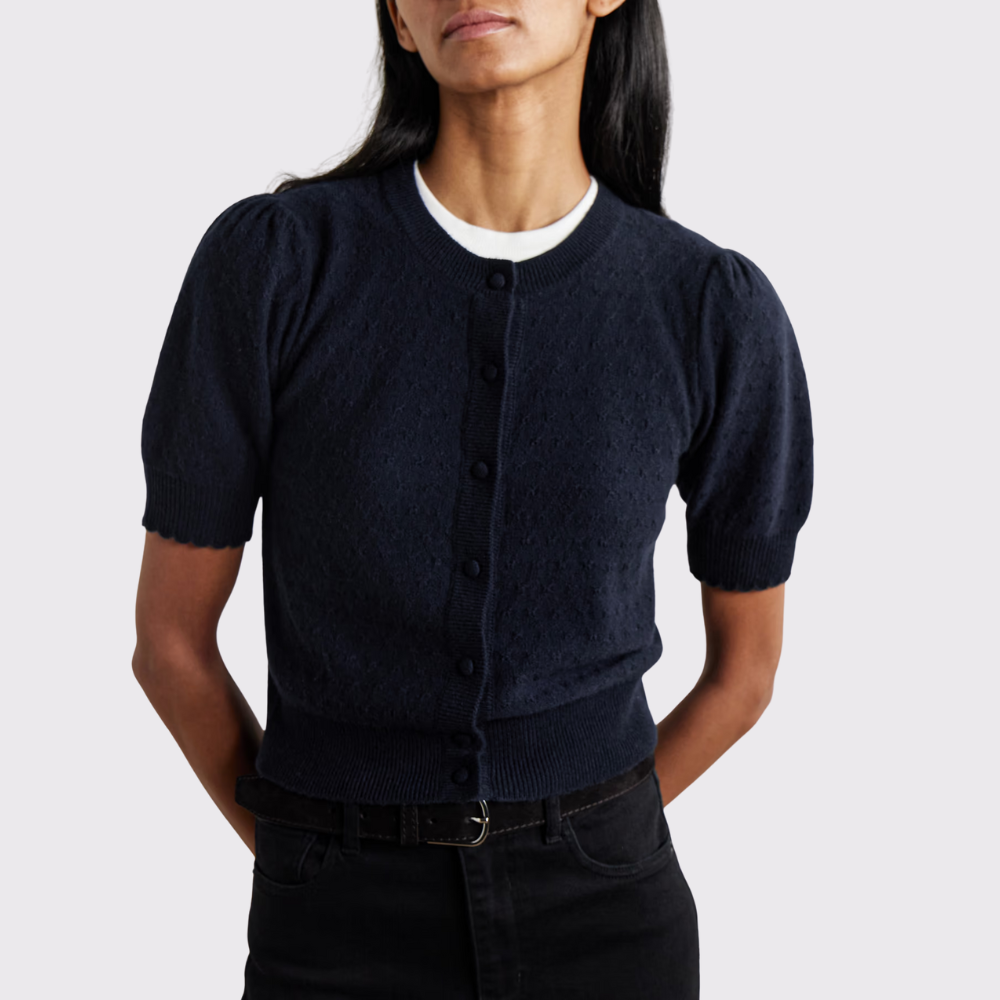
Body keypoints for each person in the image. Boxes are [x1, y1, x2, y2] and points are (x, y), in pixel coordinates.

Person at [132, 1, 813, 996]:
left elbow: (745, 676)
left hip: (609, 928)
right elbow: (170, 646)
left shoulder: (710, 311)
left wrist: (589, 832)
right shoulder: (277, 264)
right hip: (333, 927)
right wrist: (309, 848)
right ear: (400, 23)